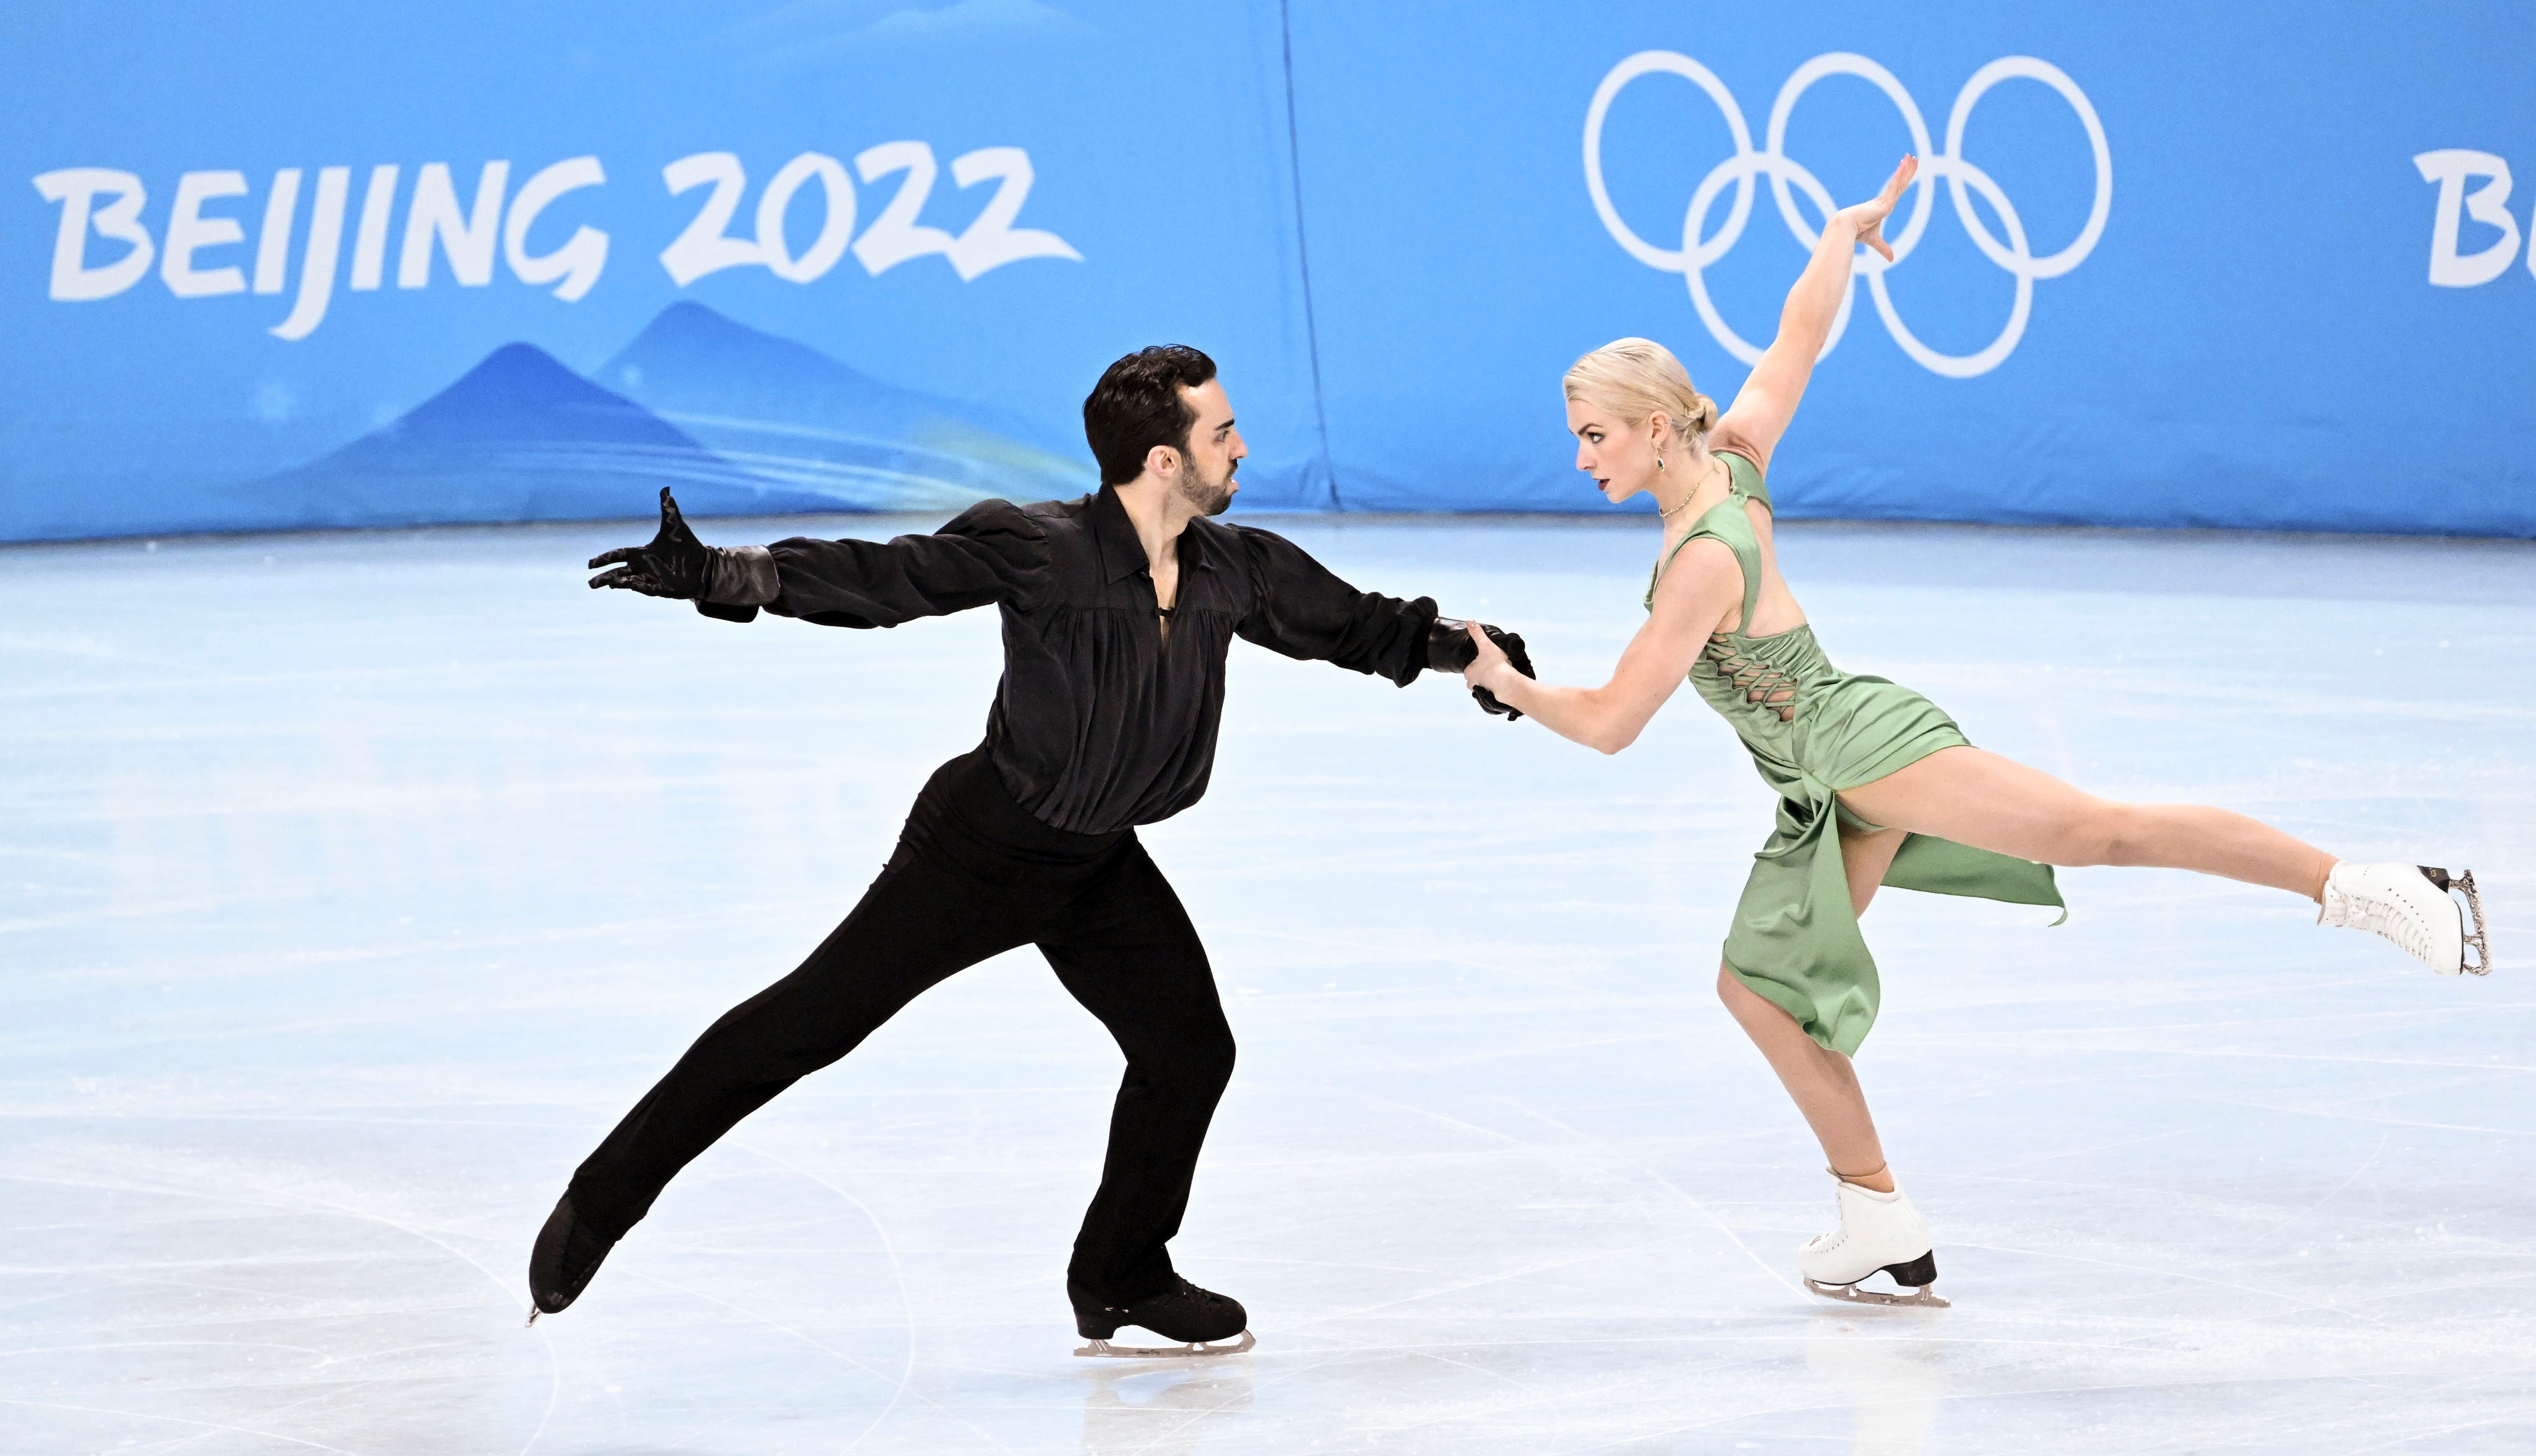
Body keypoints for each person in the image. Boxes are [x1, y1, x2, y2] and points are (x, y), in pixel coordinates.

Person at [1453, 156, 2491, 1308]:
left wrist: (1508, 682)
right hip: (1822, 785)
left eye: (1594, 435)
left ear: (1653, 430)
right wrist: (1841, 236)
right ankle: (1877, 1214)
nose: (1581, 457)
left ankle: (2375, 888)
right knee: (1756, 986)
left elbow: (1609, 723)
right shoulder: (1732, 458)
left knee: (2099, 831)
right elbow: (1796, 339)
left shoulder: (1702, 556)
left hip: (1859, 750)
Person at [536, 345, 1531, 1355]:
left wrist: (1468, 647)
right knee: (808, 1023)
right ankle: (600, 1203)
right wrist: (726, 573)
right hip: (977, 853)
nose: (1242, 450)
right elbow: (891, 578)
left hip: (1097, 864)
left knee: (1189, 1051)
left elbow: (1356, 627)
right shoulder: (1040, 550)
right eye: (1221, 433)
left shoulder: (1236, 569)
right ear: (1161, 461)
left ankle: (1119, 1275)